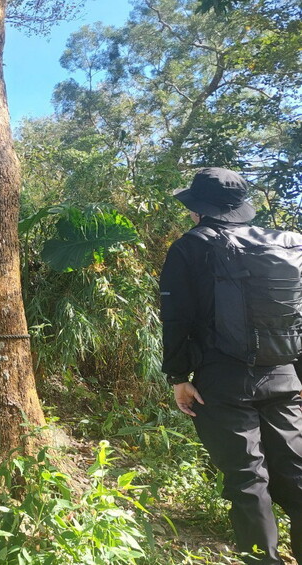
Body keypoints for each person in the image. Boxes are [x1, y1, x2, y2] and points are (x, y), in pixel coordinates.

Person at [160, 167, 302, 565]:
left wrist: (178, 377)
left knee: (246, 480)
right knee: (297, 473)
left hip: (223, 379)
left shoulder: (190, 246)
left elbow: (176, 318)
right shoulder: (287, 244)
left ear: (198, 208)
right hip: (284, 373)